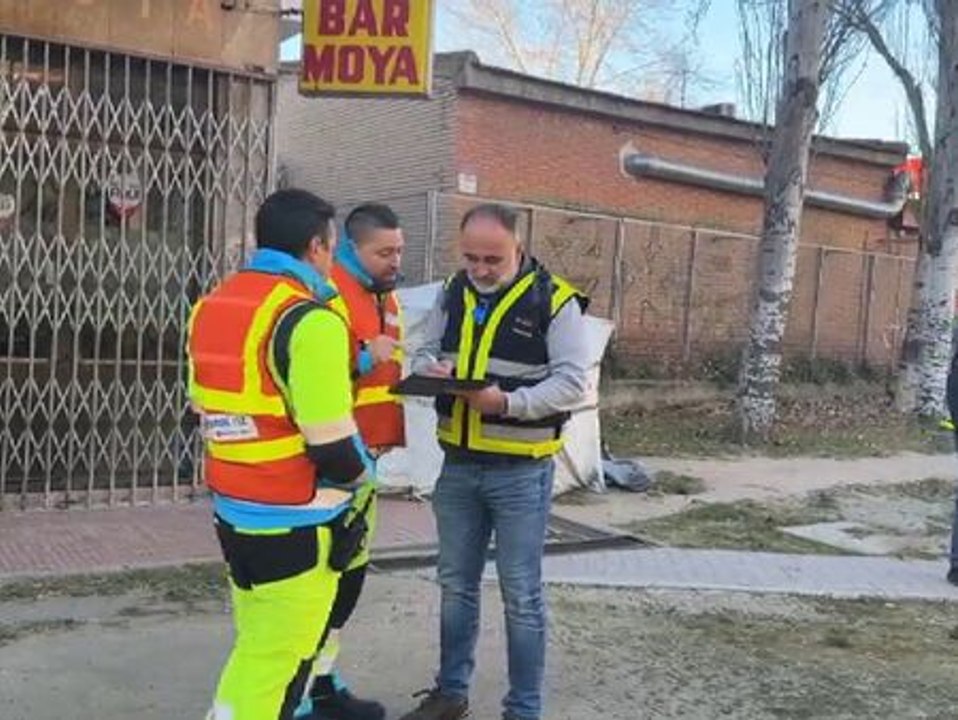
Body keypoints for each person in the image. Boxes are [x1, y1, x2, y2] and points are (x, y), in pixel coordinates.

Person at [188, 189, 375, 720]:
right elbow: (334, 445)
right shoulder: (310, 321)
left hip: (234, 512)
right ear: (318, 247)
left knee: (257, 649)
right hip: (299, 520)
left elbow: (200, 406)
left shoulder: (211, 307)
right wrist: (364, 479)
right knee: (282, 667)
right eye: (331, 248)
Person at [399, 203, 591, 720]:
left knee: (521, 596)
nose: (480, 270)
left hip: (521, 473)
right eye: (471, 258)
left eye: (493, 259)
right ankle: (450, 694)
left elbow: (574, 382)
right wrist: (432, 369)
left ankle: (523, 709)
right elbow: (423, 349)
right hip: (458, 466)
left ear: (519, 250)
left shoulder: (555, 301)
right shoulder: (452, 292)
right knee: (456, 585)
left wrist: (506, 403)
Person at [295, 203, 406, 720]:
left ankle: (323, 681)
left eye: (399, 250)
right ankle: (298, 694)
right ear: (347, 249)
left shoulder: (386, 297)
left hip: (369, 462)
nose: (395, 260)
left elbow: (386, 367)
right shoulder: (328, 293)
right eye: (384, 252)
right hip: (333, 463)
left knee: (349, 577)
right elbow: (319, 371)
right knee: (321, 581)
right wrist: (366, 357)